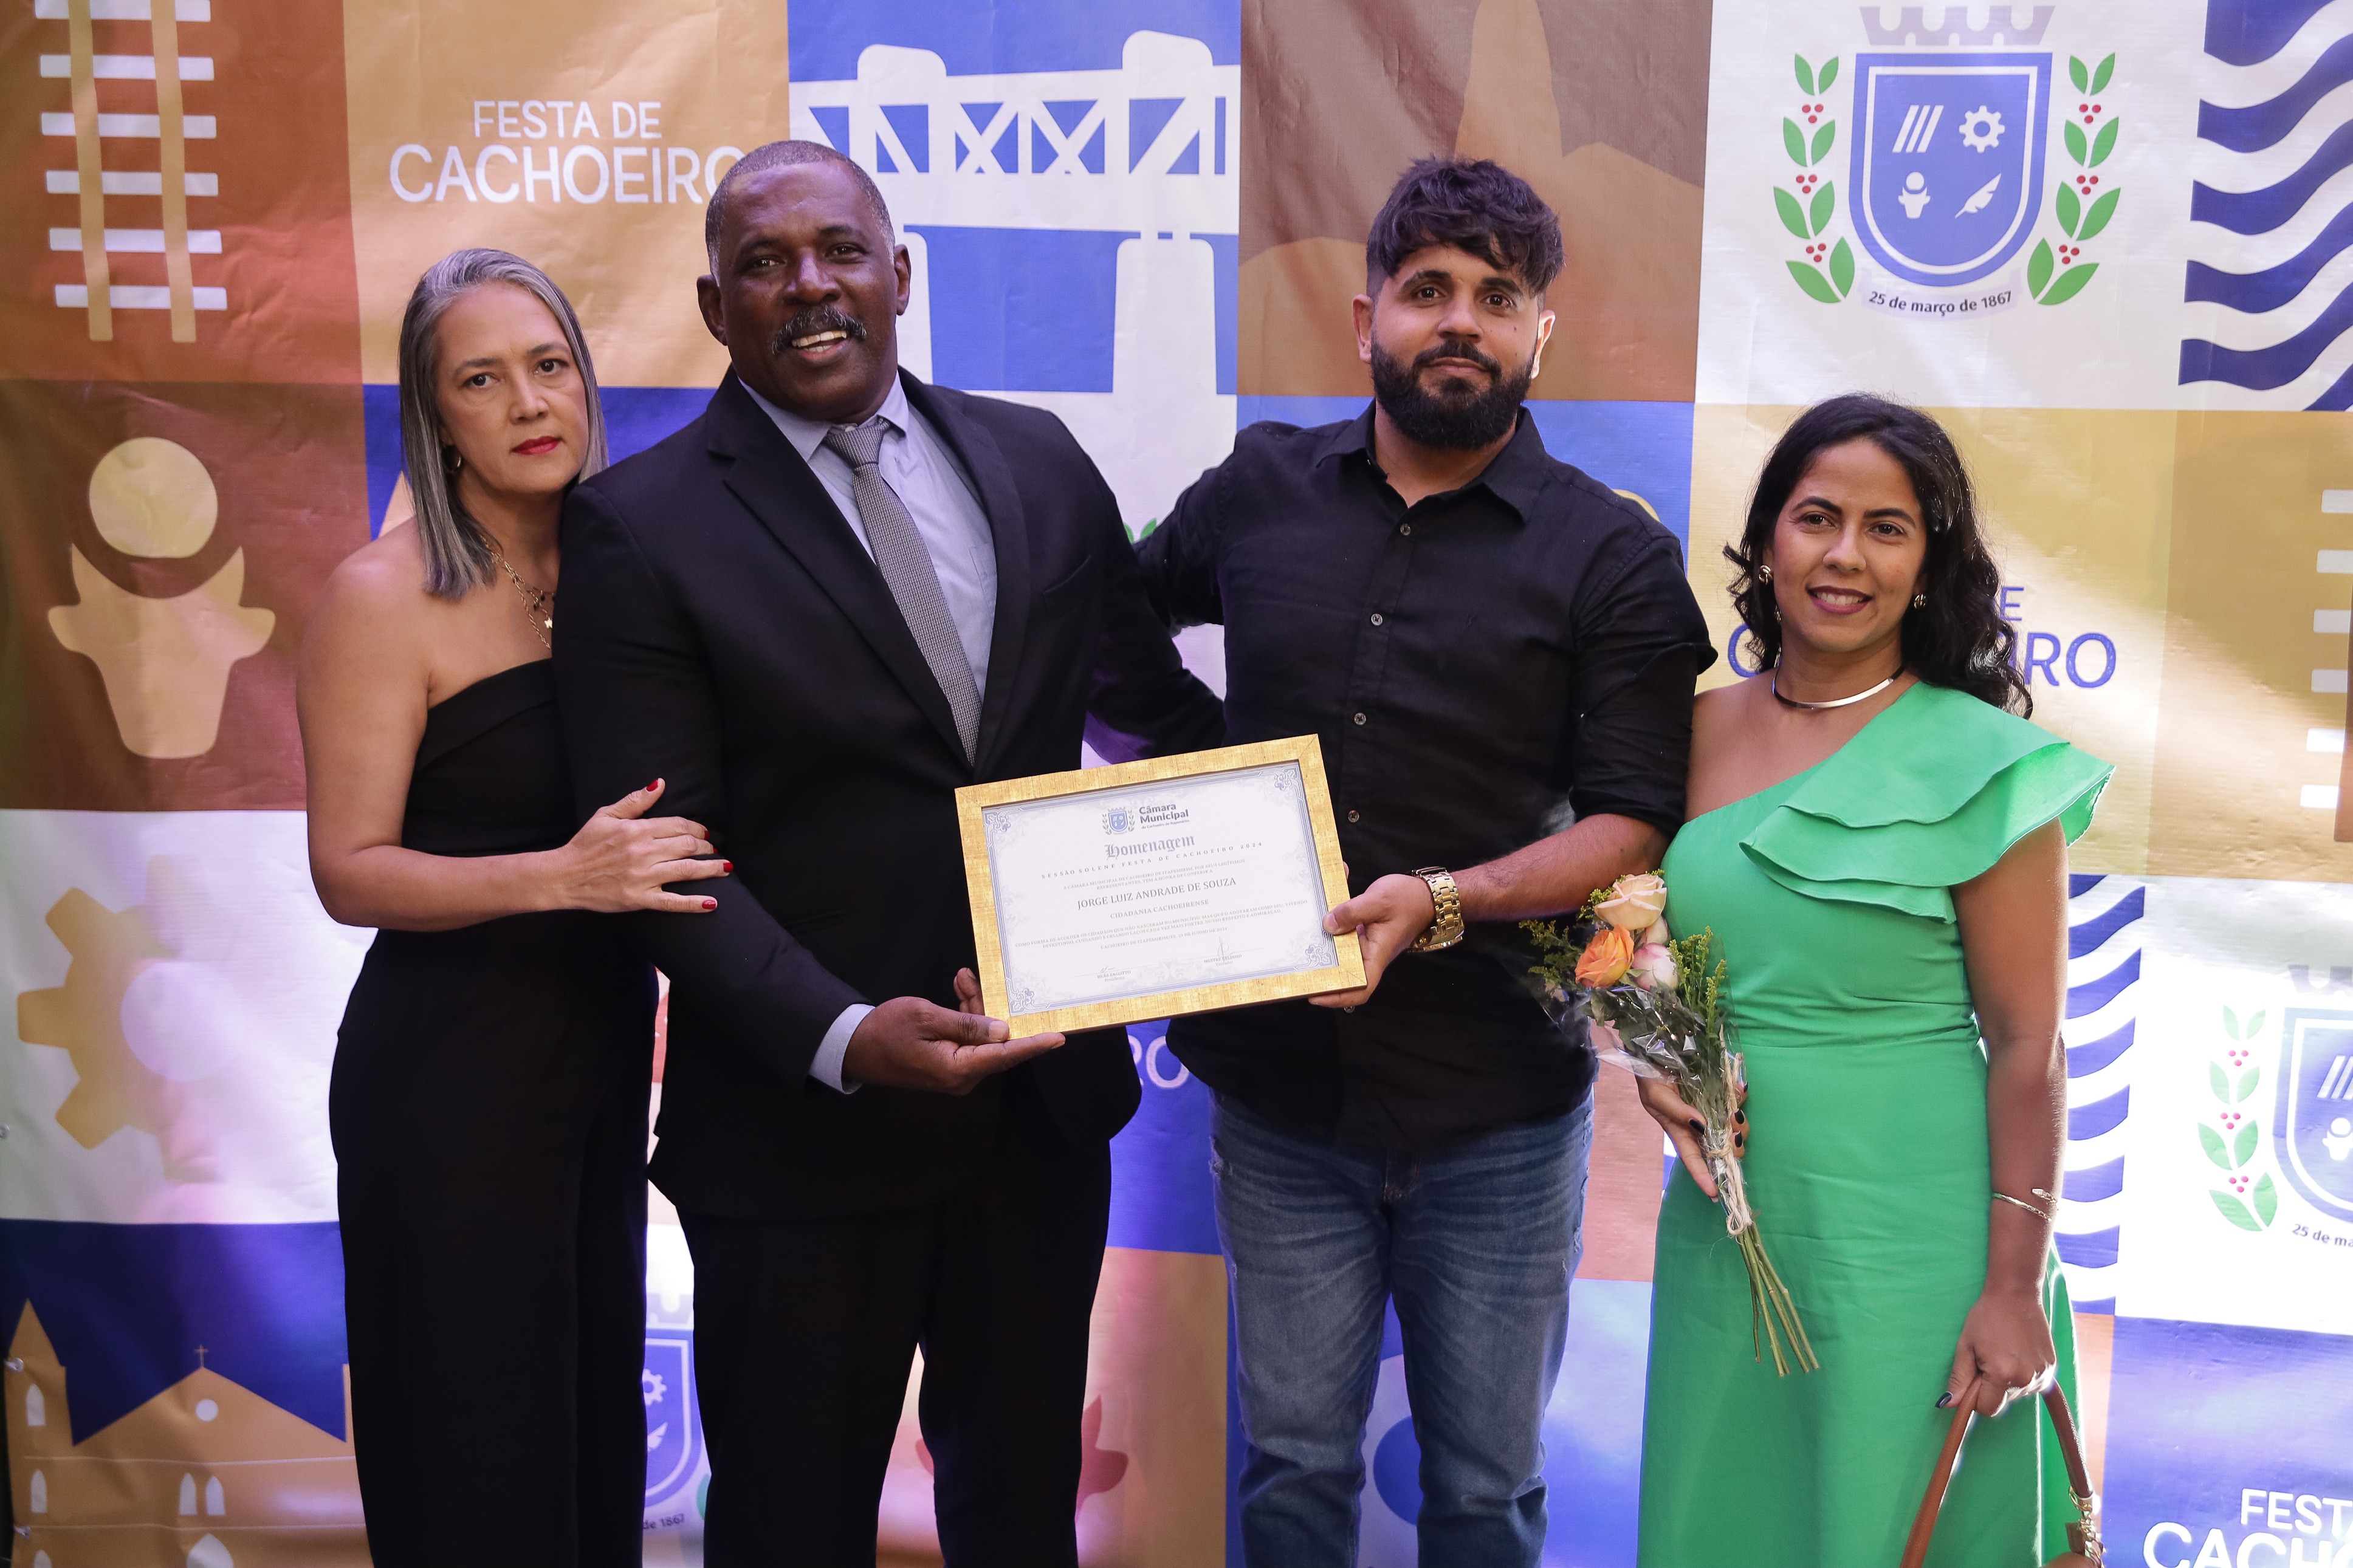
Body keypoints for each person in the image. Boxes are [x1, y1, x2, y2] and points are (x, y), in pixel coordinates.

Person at [551, 140, 1225, 1566]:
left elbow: (1148, 714)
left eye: (840, 250)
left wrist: (1305, 875)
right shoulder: (637, 527)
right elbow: (663, 859)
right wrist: (847, 1036)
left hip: (1035, 1117)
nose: (810, 285)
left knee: (1021, 1521)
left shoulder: (1037, 459)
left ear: (899, 274)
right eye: (764, 263)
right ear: (714, 304)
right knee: (790, 1528)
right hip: (796, 1133)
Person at [1132, 155, 1714, 1566]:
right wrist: (1212, 784)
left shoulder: (1611, 555)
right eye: (1428, 288)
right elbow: (1107, 626)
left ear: (1539, 335)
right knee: (1291, 1470)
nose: (1460, 319)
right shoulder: (1260, 489)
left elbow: (1634, 821)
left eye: (1497, 296)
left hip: (1497, 1108)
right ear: (1366, 319)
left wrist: (1446, 902)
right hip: (1278, 1091)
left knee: (1484, 1491)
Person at [303, 248, 729, 1567]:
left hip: (593, 1065)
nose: (529, 401)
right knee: (477, 1459)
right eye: (480, 380)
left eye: (549, 366)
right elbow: (347, 869)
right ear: (437, 419)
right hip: (447, 1079)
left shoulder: (634, 574)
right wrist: (561, 876)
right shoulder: (383, 597)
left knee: (584, 1443)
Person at [1634, 395, 2111, 1566]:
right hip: (1731, 1229)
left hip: (1918, 1240)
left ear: (1930, 566)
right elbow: (1636, 933)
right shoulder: (1681, 735)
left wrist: (2014, 1285)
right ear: (1768, 541)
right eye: (1817, 518)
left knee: (1892, 1522)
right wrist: (1654, 1057)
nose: (1846, 554)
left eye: (1887, 528)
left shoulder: (1983, 765)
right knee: (1730, 1520)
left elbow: (2030, 1045)